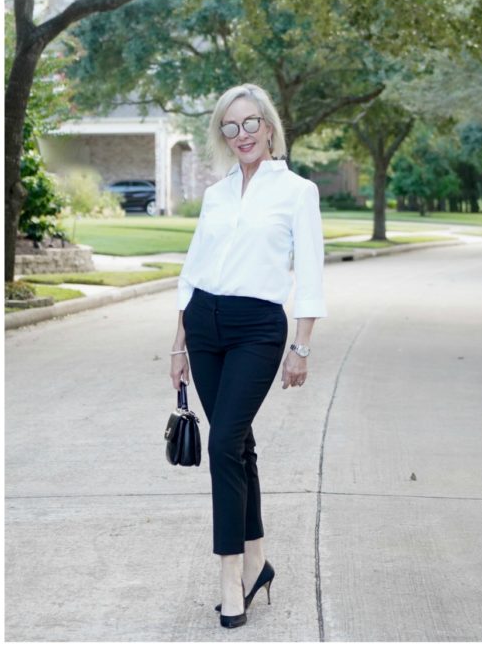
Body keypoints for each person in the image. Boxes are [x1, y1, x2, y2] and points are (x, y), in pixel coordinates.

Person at [169, 83, 326, 629]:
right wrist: (179, 342)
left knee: (223, 442)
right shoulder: (216, 194)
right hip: (205, 325)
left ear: (269, 125)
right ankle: (258, 561)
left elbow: (309, 273)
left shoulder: (297, 191)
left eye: (250, 123)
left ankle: (229, 576)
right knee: (240, 446)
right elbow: (193, 271)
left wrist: (300, 347)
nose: (242, 135)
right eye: (229, 127)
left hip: (258, 329)